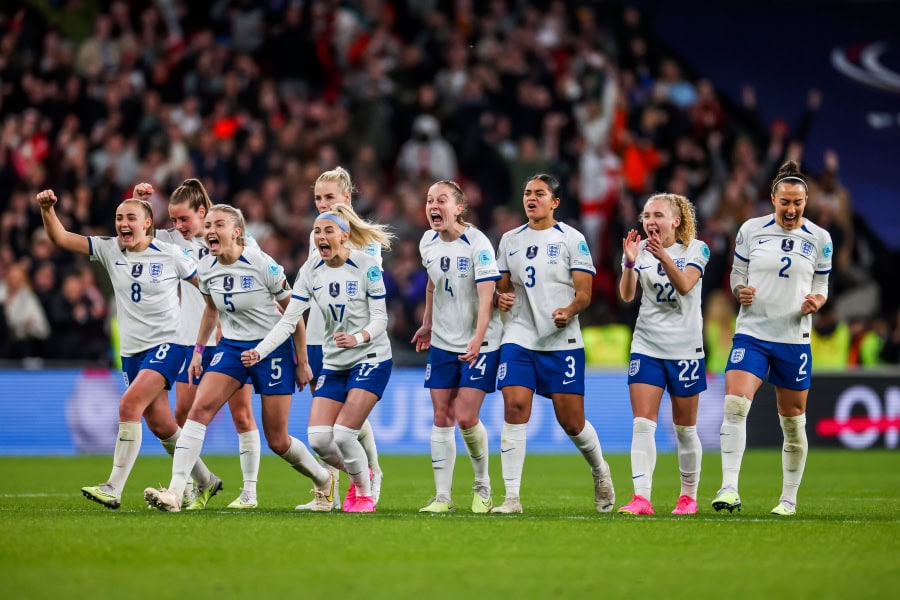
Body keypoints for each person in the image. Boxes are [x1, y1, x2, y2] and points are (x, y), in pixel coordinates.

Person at [35, 189, 220, 509]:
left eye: (131, 217)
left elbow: (209, 292)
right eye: (119, 217)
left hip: (168, 344)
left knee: (128, 405)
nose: (123, 222)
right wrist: (47, 210)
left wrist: (214, 325)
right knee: (161, 424)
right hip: (133, 352)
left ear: (148, 224)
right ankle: (205, 479)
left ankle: (113, 486)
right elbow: (63, 238)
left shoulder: (170, 253)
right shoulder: (109, 249)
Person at [143, 204, 334, 512]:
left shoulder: (262, 264)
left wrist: (302, 361)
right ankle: (176, 492)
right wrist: (198, 351)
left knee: (277, 439)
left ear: (237, 232)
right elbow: (211, 309)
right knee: (198, 410)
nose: (210, 231)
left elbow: (295, 315)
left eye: (218, 224)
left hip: (272, 351)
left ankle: (323, 479)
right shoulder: (206, 268)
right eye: (208, 225)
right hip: (231, 349)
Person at [241, 203, 394, 513]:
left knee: (344, 433)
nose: (320, 236)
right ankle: (362, 472)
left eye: (328, 231)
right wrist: (260, 350)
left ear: (345, 236)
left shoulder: (367, 266)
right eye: (316, 231)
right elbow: (289, 319)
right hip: (336, 362)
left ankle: (364, 493)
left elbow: (380, 319)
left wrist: (357, 337)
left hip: (371, 356)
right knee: (320, 439)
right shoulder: (311, 271)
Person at [712, 160, 833, 516]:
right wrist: (739, 291)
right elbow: (737, 274)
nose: (791, 209)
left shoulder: (820, 239)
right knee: (735, 404)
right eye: (785, 202)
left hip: (793, 339)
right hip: (752, 333)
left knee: (792, 422)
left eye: (798, 202)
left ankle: (788, 500)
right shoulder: (751, 229)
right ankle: (729, 488)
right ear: (773, 198)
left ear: (806, 200)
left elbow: (822, 285)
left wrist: (817, 300)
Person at [491, 174, 615, 514]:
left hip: (562, 339)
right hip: (519, 335)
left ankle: (600, 470)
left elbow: (585, 294)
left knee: (572, 422)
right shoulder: (509, 240)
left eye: (539, 194)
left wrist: (570, 309)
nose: (531, 198)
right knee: (515, 407)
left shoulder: (572, 239)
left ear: (555, 202)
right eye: (527, 193)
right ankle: (512, 498)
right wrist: (500, 298)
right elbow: (503, 286)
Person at [136, 180, 260, 510]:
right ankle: (192, 486)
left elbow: (260, 276)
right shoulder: (172, 242)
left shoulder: (235, 239)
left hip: (233, 341)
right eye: (173, 221)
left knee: (243, 415)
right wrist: (139, 203)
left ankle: (249, 491)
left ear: (201, 213)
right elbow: (136, 236)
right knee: (182, 414)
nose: (177, 227)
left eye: (183, 220)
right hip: (193, 343)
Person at [293, 166, 385, 511]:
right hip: (319, 337)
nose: (322, 203)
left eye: (329, 197)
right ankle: (336, 487)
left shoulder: (366, 239)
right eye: (317, 198)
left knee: (349, 419)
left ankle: (370, 474)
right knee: (328, 424)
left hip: (353, 340)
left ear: (347, 198)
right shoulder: (315, 235)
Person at [410, 180, 502, 514]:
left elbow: (487, 295)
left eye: (442, 200)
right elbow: (434, 285)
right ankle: (443, 496)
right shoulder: (427, 242)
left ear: (459, 208)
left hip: (481, 341)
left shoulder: (477, 244)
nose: (434, 206)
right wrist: (428, 322)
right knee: (441, 415)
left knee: (465, 416)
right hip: (443, 342)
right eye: (430, 200)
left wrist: (478, 338)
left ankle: (483, 486)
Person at [617, 193, 709, 515]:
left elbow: (685, 286)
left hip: (685, 349)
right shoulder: (640, 250)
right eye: (646, 215)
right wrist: (629, 263)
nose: (650, 221)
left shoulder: (697, 249)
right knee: (643, 423)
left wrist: (662, 257)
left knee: (684, 429)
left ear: (676, 220)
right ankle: (641, 497)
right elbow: (627, 296)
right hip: (647, 345)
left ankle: (688, 497)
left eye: (658, 215)